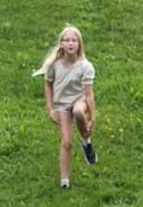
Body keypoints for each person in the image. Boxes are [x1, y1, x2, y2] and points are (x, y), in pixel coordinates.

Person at [33, 26, 97, 189]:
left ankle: (86, 140)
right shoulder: (54, 65)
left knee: (77, 111)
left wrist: (92, 116)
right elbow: (48, 85)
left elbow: (89, 94)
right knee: (66, 142)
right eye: (67, 40)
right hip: (61, 104)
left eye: (74, 40)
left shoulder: (85, 66)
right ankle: (64, 181)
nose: (70, 43)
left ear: (79, 44)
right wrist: (50, 108)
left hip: (79, 100)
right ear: (61, 44)